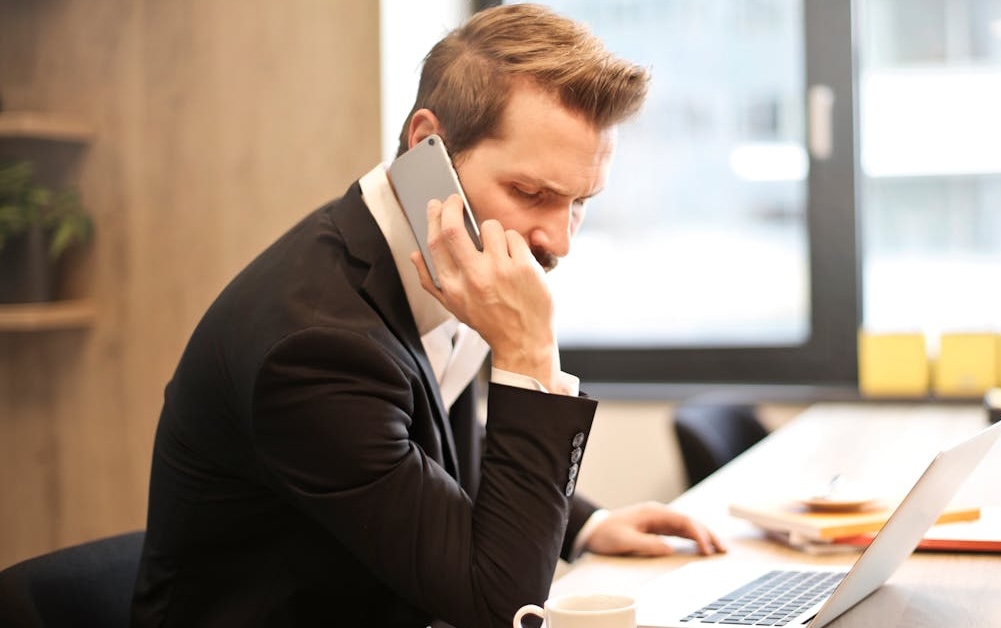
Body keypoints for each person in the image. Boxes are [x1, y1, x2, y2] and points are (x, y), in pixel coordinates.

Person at [131, 4, 724, 627]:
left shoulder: (433, 260)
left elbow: (435, 456)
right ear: (426, 146)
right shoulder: (314, 349)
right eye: (531, 193)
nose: (559, 240)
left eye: (579, 203)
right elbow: (498, 605)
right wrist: (528, 356)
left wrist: (587, 524)